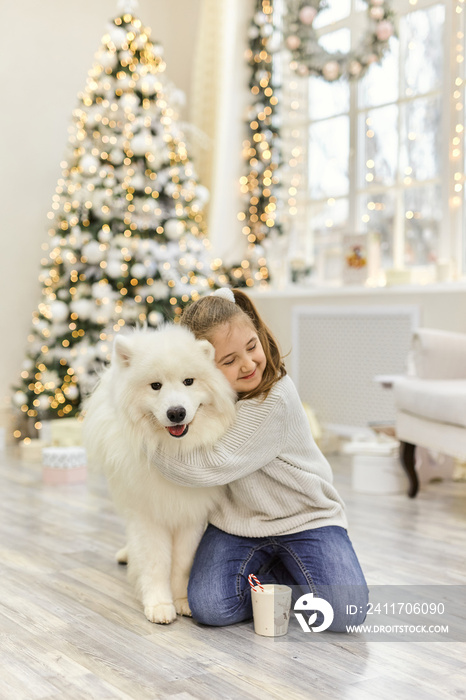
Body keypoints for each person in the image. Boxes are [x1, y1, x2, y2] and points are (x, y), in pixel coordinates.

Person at [152, 287, 368, 631]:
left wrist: (148, 449)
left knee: (346, 612)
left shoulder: (275, 398)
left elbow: (215, 463)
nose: (249, 363)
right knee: (210, 608)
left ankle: (287, 578)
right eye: (229, 361)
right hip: (237, 524)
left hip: (305, 519)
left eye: (252, 347)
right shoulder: (204, 404)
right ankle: (276, 578)